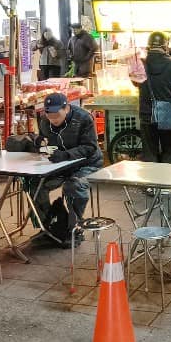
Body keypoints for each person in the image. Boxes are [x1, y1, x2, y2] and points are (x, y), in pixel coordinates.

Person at [33, 92, 104, 237]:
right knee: (35, 184)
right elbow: (43, 139)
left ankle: (75, 225)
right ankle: (48, 225)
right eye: (49, 116)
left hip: (88, 164)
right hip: (60, 165)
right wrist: (39, 142)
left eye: (56, 116)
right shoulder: (45, 121)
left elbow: (90, 147)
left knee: (73, 186)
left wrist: (65, 155)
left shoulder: (83, 118)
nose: (53, 120)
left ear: (66, 108)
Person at [132, 31, 171, 163]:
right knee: (169, 151)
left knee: (150, 152)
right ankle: (167, 181)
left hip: (147, 113)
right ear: (165, 45)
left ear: (149, 46)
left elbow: (136, 83)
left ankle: (151, 182)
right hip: (167, 113)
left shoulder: (141, 64)